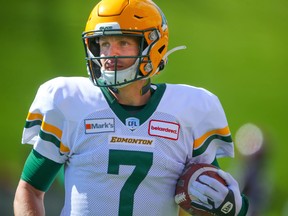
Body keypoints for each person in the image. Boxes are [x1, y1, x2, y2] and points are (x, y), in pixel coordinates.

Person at [14, 0, 249, 215]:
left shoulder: (189, 112)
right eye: (103, 43)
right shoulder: (71, 103)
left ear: (153, 46)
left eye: (123, 42)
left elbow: (212, 196)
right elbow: (30, 190)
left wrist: (231, 205)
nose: (109, 54)